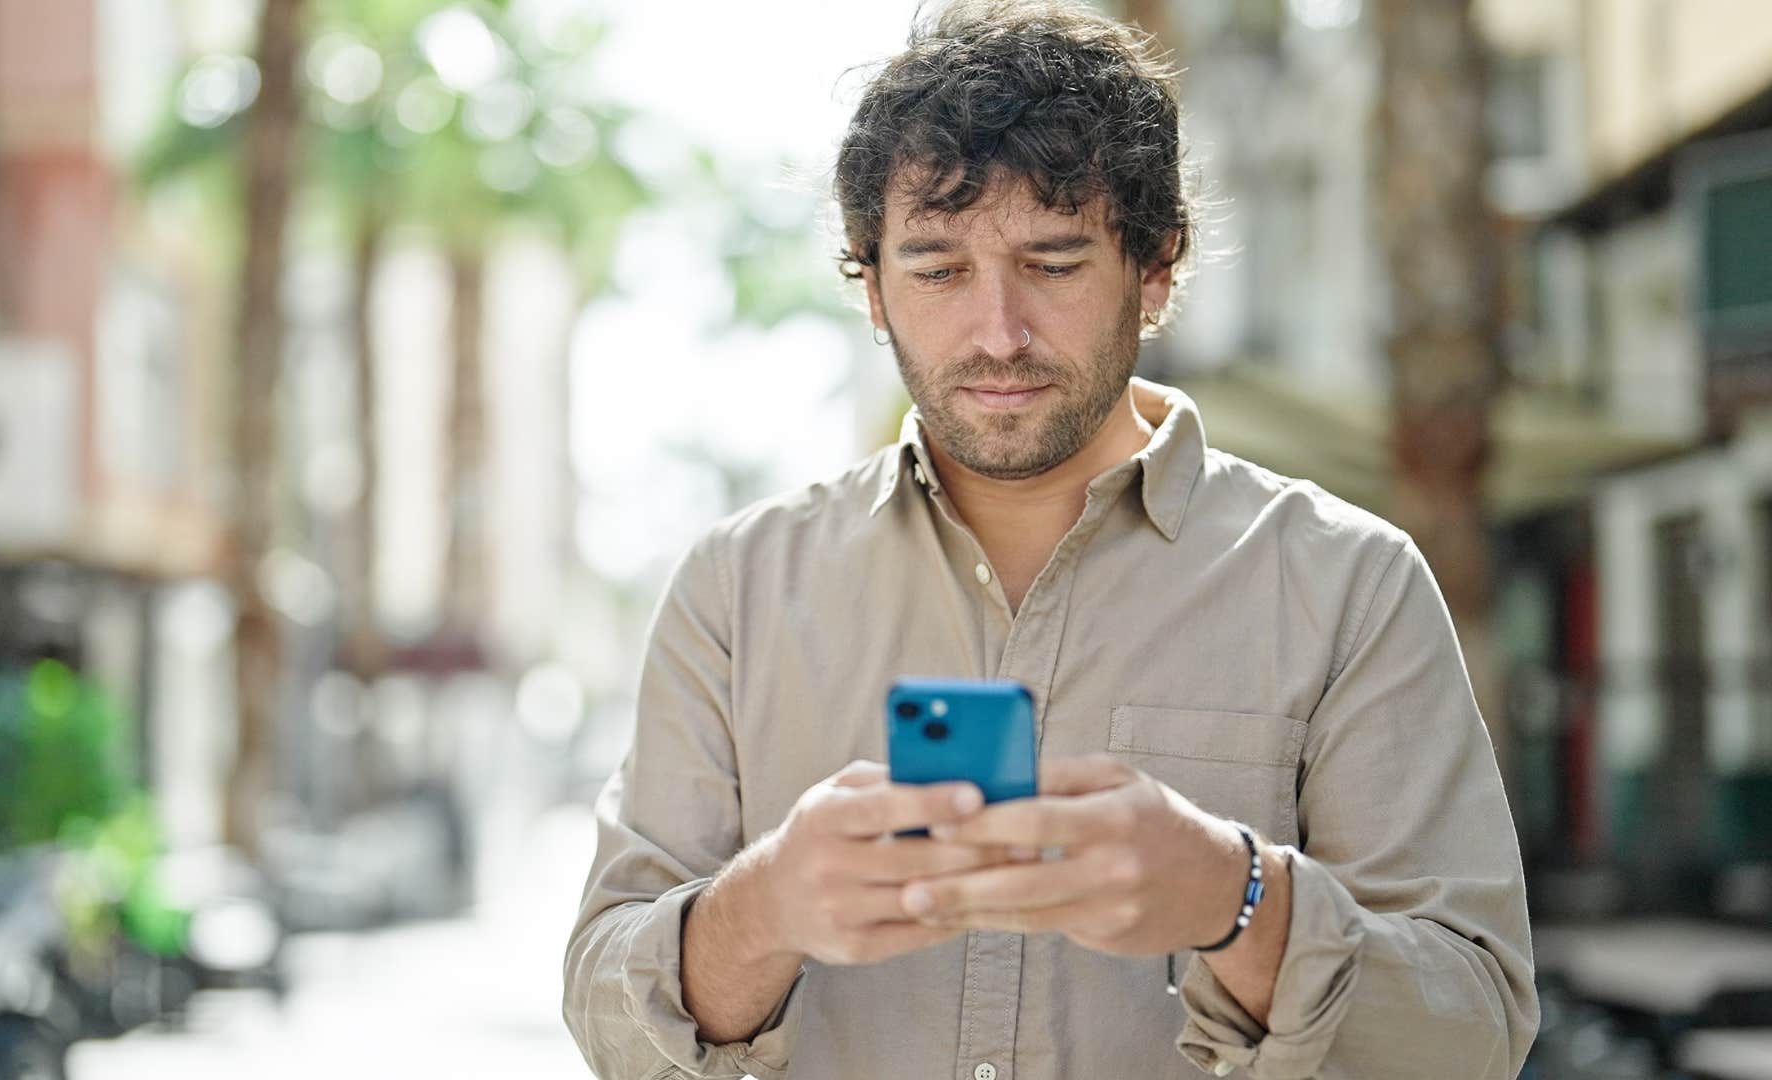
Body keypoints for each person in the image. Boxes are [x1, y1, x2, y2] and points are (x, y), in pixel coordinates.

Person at [562, 1, 1537, 1076]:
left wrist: (1237, 899)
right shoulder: (735, 593)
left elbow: (1478, 1031)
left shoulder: (1349, 584)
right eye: (936, 270)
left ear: (1156, 266)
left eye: (1056, 262)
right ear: (870, 282)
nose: (997, 333)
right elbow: (605, 1017)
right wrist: (763, 910)